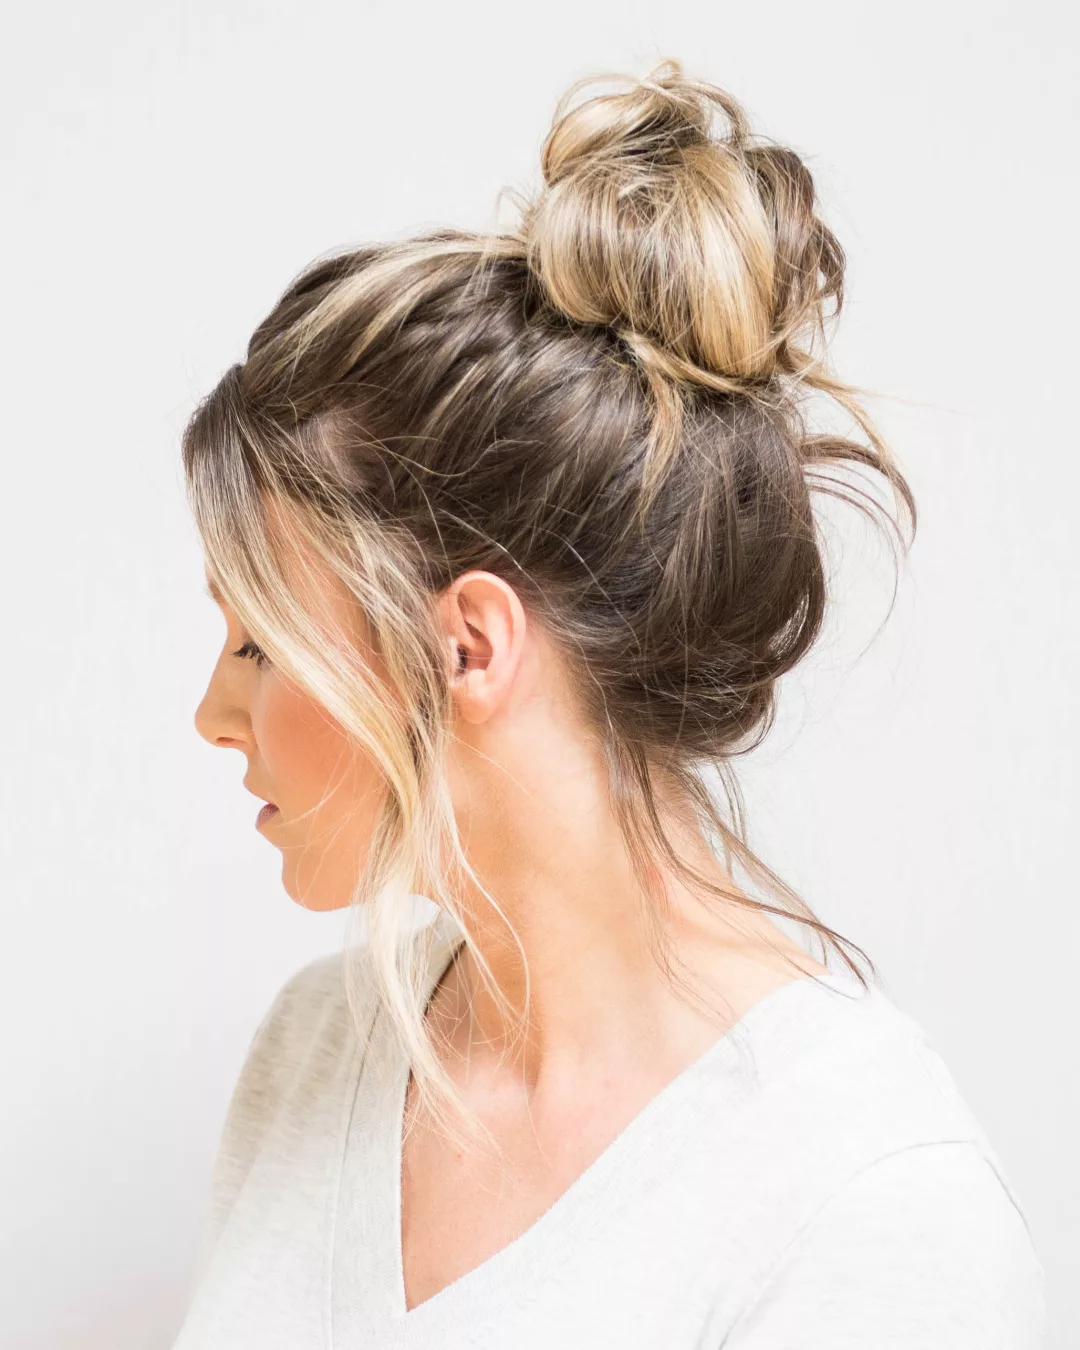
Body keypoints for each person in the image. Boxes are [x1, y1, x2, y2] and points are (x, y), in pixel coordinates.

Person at [172, 58, 1046, 1349]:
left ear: (467, 646)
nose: (212, 711)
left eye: (259, 639)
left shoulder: (871, 1211)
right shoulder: (319, 1051)